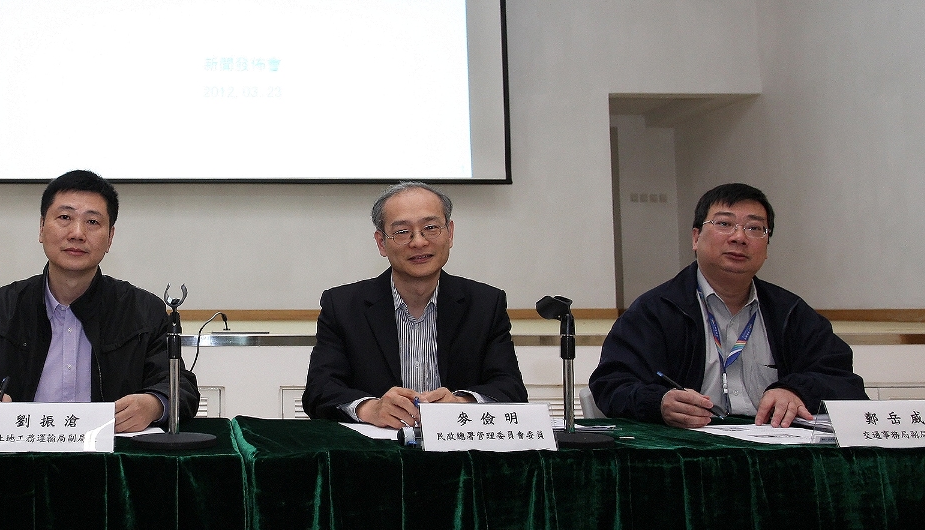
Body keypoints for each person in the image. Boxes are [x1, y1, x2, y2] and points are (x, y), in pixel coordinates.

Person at [0, 169, 197, 433]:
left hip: (110, 453)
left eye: (92, 222)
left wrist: (155, 404)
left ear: (110, 238)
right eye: (64, 217)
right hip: (19, 451)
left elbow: (180, 386)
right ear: (41, 228)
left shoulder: (143, 311)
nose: (77, 233)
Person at [590, 182, 865, 428]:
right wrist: (659, 402)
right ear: (696, 238)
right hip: (691, 449)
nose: (739, 237)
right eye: (724, 224)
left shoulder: (790, 312)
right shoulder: (656, 310)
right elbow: (612, 384)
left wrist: (795, 390)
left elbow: (842, 380)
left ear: (766, 247)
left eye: (754, 228)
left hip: (775, 446)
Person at [303, 181, 526, 427]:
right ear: (381, 243)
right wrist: (372, 409)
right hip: (377, 446)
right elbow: (319, 391)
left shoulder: (485, 304)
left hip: (455, 443)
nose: (418, 242)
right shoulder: (343, 306)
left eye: (430, 228)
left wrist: (460, 404)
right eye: (402, 232)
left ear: (450, 233)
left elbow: (510, 388)